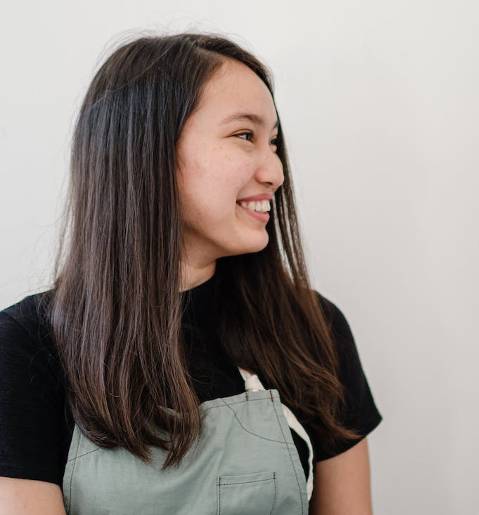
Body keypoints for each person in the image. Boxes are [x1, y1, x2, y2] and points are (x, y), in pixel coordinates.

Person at [0, 34, 381, 515]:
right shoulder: (24, 348)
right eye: (245, 136)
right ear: (148, 149)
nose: (276, 172)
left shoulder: (313, 330)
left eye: (274, 142)